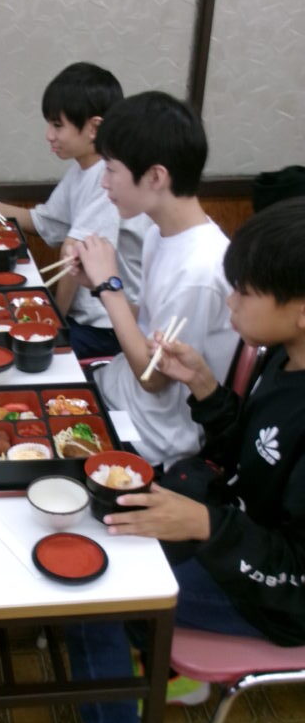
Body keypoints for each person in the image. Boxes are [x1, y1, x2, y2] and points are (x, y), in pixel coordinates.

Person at [65, 196, 305, 723]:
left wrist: (204, 524)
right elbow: (249, 452)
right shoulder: (285, 356)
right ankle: (162, 662)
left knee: (93, 588)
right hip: (237, 533)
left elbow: (296, 571)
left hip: (280, 596)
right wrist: (204, 386)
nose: (229, 302)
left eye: (244, 292)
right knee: (104, 522)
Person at [75, 91, 238, 468]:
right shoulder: (159, 234)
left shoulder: (199, 269)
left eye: (111, 169)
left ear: (155, 176)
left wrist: (110, 288)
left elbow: (154, 378)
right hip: (115, 389)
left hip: (150, 436)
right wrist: (98, 285)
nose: (104, 183)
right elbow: (149, 324)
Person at [0, 62, 152, 358]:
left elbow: (70, 253)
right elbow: (42, 222)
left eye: (57, 125)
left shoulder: (110, 180)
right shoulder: (82, 170)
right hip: (87, 320)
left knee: (6, 348)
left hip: (106, 328)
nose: (49, 135)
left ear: (94, 128)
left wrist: (55, 325)